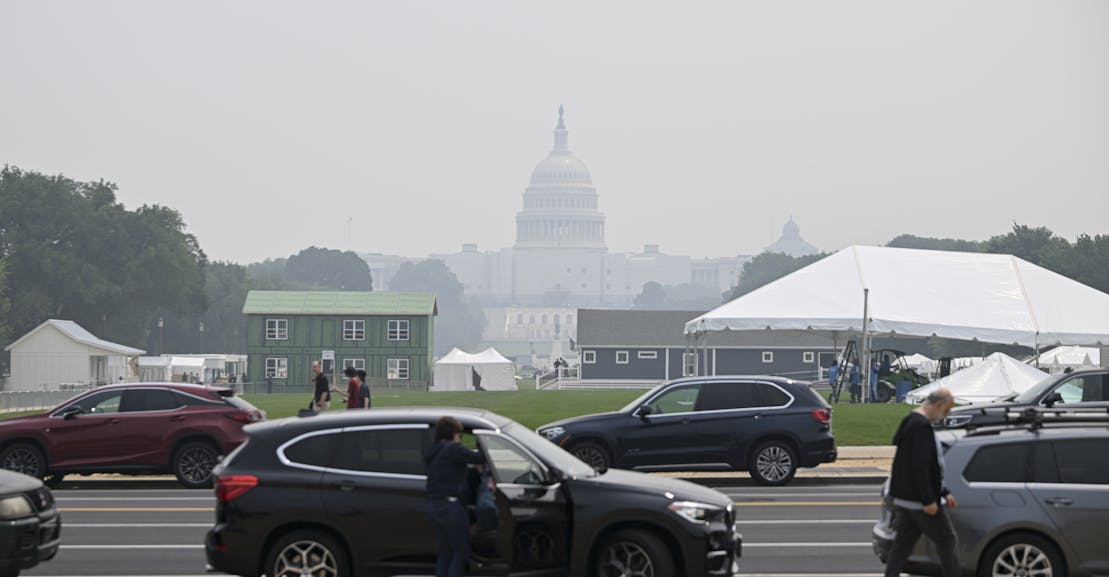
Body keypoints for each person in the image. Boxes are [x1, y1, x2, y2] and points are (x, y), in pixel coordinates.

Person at [883, 388, 958, 577]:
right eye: (946, 411)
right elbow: (921, 466)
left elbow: (922, 465)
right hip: (919, 501)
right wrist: (929, 499)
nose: (944, 416)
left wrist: (943, 492)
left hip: (905, 499)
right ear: (938, 405)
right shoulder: (921, 427)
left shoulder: (910, 421)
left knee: (902, 545)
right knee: (947, 541)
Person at [424, 416, 487, 577]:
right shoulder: (453, 449)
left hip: (433, 506)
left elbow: (451, 467)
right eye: (460, 435)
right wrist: (485, 444)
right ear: (454, 433)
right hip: (450, 507)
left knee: (445, 552)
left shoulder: (435, 450)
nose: (460, 439)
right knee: (460, 552)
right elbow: (481, 457)